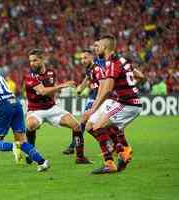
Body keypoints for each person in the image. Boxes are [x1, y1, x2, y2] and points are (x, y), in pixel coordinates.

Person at [0, 51, 49, 172]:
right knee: (22, 141)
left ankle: (14, 147)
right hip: (15, 104)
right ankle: (42, 162)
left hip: (4, 106)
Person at [84, 35, 142, 174]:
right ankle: (121, 153)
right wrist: (129, 88)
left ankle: (113, 160)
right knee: (97, 126)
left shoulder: (111, 63)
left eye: (98, 46)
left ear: (104, 47)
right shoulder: (122, 59)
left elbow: (107, 89)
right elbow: (140, 76)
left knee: (98, 127)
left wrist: (93, 109)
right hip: (127, 101)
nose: (95, 49)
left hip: (126, 103)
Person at [24, 48, 91, 164]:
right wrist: (63, 85)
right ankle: (31, 153)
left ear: (42, 59)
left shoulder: (51, 73)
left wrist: (54, 90)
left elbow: (51, 92)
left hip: (52, 108)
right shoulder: (30, 76)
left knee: (76, 126)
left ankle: (80, 157)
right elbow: (43, 91)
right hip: (35, 110)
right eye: (30, 61)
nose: (32, 64)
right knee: (31, 125)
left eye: (35, 60)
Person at [63, 41, 106, 155]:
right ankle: (109, 144)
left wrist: (99, 99)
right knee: (89, 125)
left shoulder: (97, 68)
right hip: (92, 97)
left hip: (98, 99)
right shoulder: (89, 68)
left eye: (85, 58)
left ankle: (73, 146)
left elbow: (103, 84)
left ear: (92, 57)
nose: (83, 61)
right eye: (82, 58)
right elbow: (87, 78)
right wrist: (80, 89)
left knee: (84, 122)